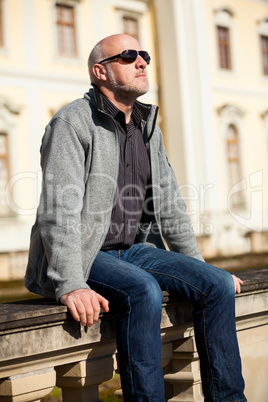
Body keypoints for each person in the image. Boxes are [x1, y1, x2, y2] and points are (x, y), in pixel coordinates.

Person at [25, 33, 247, 402]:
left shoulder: (148, 126)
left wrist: (197, 267)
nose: (142, 61)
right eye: (128, 56)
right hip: (85, 252)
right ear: (101, 71)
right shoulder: (72, 122)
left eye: (142, 54)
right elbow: (58, 209)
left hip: (134, 249)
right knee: (142, 291)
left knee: (218, 284)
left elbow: (170, 202)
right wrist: (71, 283)